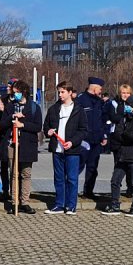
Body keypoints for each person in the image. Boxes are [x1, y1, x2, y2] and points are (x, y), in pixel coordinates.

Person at [101, 94, 133, 217]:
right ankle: (114, 205)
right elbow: (117, 133)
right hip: (122, 153)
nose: (126, 107)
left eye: (128, 105)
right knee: (115, 180)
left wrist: (125, 135)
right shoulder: (124, 117)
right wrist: (124, 135)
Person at [43, 81, 88, 215]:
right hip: (57, 149)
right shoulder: (53, 109)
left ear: (70, 93)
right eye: (59, 92)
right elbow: (46, 126)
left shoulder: (78, 110)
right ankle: (59, 204)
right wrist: (48, 132)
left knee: (72, 178)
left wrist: (72, 142)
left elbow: (83, 130)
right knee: (59, 178)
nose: (60, 95)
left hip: (72, 150)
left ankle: (71, 206)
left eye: (63, 92)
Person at [0, 80, 42, 214]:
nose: (15, 95)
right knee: (14, 174)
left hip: (27, 145)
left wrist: (23, 124)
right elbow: (2, 124)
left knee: (26, 174)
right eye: (14, 92)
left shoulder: (34, 107)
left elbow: (37, 126)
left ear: (24, 92)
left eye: (17, 92)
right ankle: (14, 202)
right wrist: (12, 117)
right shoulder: (10, 106)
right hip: (13, 144)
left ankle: (25, 202)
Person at [77, 76, 108, 198]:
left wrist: (104, 135)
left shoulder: (99, 102)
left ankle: (88, 192)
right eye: (100, 88)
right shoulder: (80, 100)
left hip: (96, 140)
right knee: (78, 166)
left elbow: (103, 120)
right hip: (84, 139)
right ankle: (71, 191)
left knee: (92, 168)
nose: (101, 91)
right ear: (94, 88)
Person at [105, 84, 133, 196]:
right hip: (117, 137)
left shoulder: (132, 103)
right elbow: (113, 117)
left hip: (129, 137)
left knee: (130, 165)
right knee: (118, 163)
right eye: (123, 93)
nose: (125, 95)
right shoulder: (114, 103)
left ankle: (130, 187)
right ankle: (117, 185)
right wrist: (123, 114)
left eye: (127, 93)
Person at [0, 78, 17, 205]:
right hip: (3, 137)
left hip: (14, 137)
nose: (8, 88)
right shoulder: (3, 99)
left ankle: (15, 191)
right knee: (4, 165)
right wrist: (0, 111)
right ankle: (5, 190)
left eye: (10, 86)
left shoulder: (19, 101)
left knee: (14, 167)